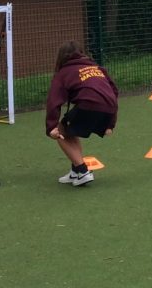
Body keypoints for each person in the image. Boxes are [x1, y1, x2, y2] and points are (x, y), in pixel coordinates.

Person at [45, 42, 118, 187]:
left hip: (89, 104)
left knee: (60, 130)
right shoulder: (97, 68)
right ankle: (75, 171)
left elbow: (54, 101)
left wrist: (51, 126)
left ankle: (83, 171)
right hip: (109, 106)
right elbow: (114, 91)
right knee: (70, 129)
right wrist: (110, 123)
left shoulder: (64, 73)